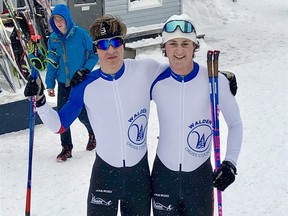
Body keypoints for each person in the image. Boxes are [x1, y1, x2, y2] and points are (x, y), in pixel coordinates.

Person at [24, 14, 168, 215]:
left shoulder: (145, 69)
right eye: (103, 44)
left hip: (139, 178)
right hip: (105, 175)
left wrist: (218, 78)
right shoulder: (84, 85)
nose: (110, 49)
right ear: (95, 49)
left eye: (115, 42)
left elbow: (182, 70)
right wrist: (39, 100)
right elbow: (59, 125)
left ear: (123, 43)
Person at [150, 14, 243, 216]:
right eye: (172, 43)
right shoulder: (154, 79)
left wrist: (230, 163)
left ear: (194, 46)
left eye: (185, 43)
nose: (179, 50)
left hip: (199, 178)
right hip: (163, 177)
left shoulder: (215, 81)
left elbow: (235, 124)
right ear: (164, 47)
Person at [45, 4, 99, 162]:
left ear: (67, 19)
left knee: (82, 115)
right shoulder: (53, 39)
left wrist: (84, 71)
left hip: (80, 82)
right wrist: (49, 84)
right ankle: (66, 148)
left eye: (61, 19)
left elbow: (93, 55)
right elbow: (52, 62)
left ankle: (93, 132)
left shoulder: (81, 34)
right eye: (55, 19)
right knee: (61, 117)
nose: (59, 22)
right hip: (63, 83)